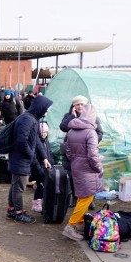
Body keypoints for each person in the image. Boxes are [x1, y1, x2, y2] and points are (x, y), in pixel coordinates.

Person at [7, 95, 53, 224]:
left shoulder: (32, 119)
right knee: (19, 187)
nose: (47, 111)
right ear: (40, 107)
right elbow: (21, 141)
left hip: (21, 158)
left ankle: (12, 209)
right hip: (20, 159)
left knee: (16, 185)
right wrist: (31, 156)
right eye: (46, 108)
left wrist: (44, 157)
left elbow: (37, 140)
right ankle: (18, 213)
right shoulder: (27, 119)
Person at [61, 105, 103, 240]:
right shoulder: (91, 133)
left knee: (81, 195)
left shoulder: (72, 130)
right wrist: (99, 168)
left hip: (76, 166)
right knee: (87, 197)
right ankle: (71, 225)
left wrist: (76, 160)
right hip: (87, 169)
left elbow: (67, 150)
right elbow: (93, 155)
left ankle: (79, 223)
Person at [60, 96, 103, 202]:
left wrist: (92, 142)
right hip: (73, 150)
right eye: (77, 104)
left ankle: (89, 199)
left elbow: (100, 133)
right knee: (73, 175)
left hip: (86, 151)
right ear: (73, 106)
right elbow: (63, 127)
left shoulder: (93, 117)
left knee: (88, 177)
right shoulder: (69, 116)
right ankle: (75, 197)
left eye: (82, 104)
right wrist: (72, 116)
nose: (80, 106)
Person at [29, 122, 53, 213]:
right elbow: (34, 158)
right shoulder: (36, 144)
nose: (44, 134)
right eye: (42, 132)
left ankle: (41, 202)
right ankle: (37, 203)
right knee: (40, 186)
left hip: (46, 169)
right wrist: (39, 169)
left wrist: (52, 164)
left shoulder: (47, 143)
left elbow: (49, 154)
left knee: (43, 186)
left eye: (46, 132)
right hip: (38, 169)